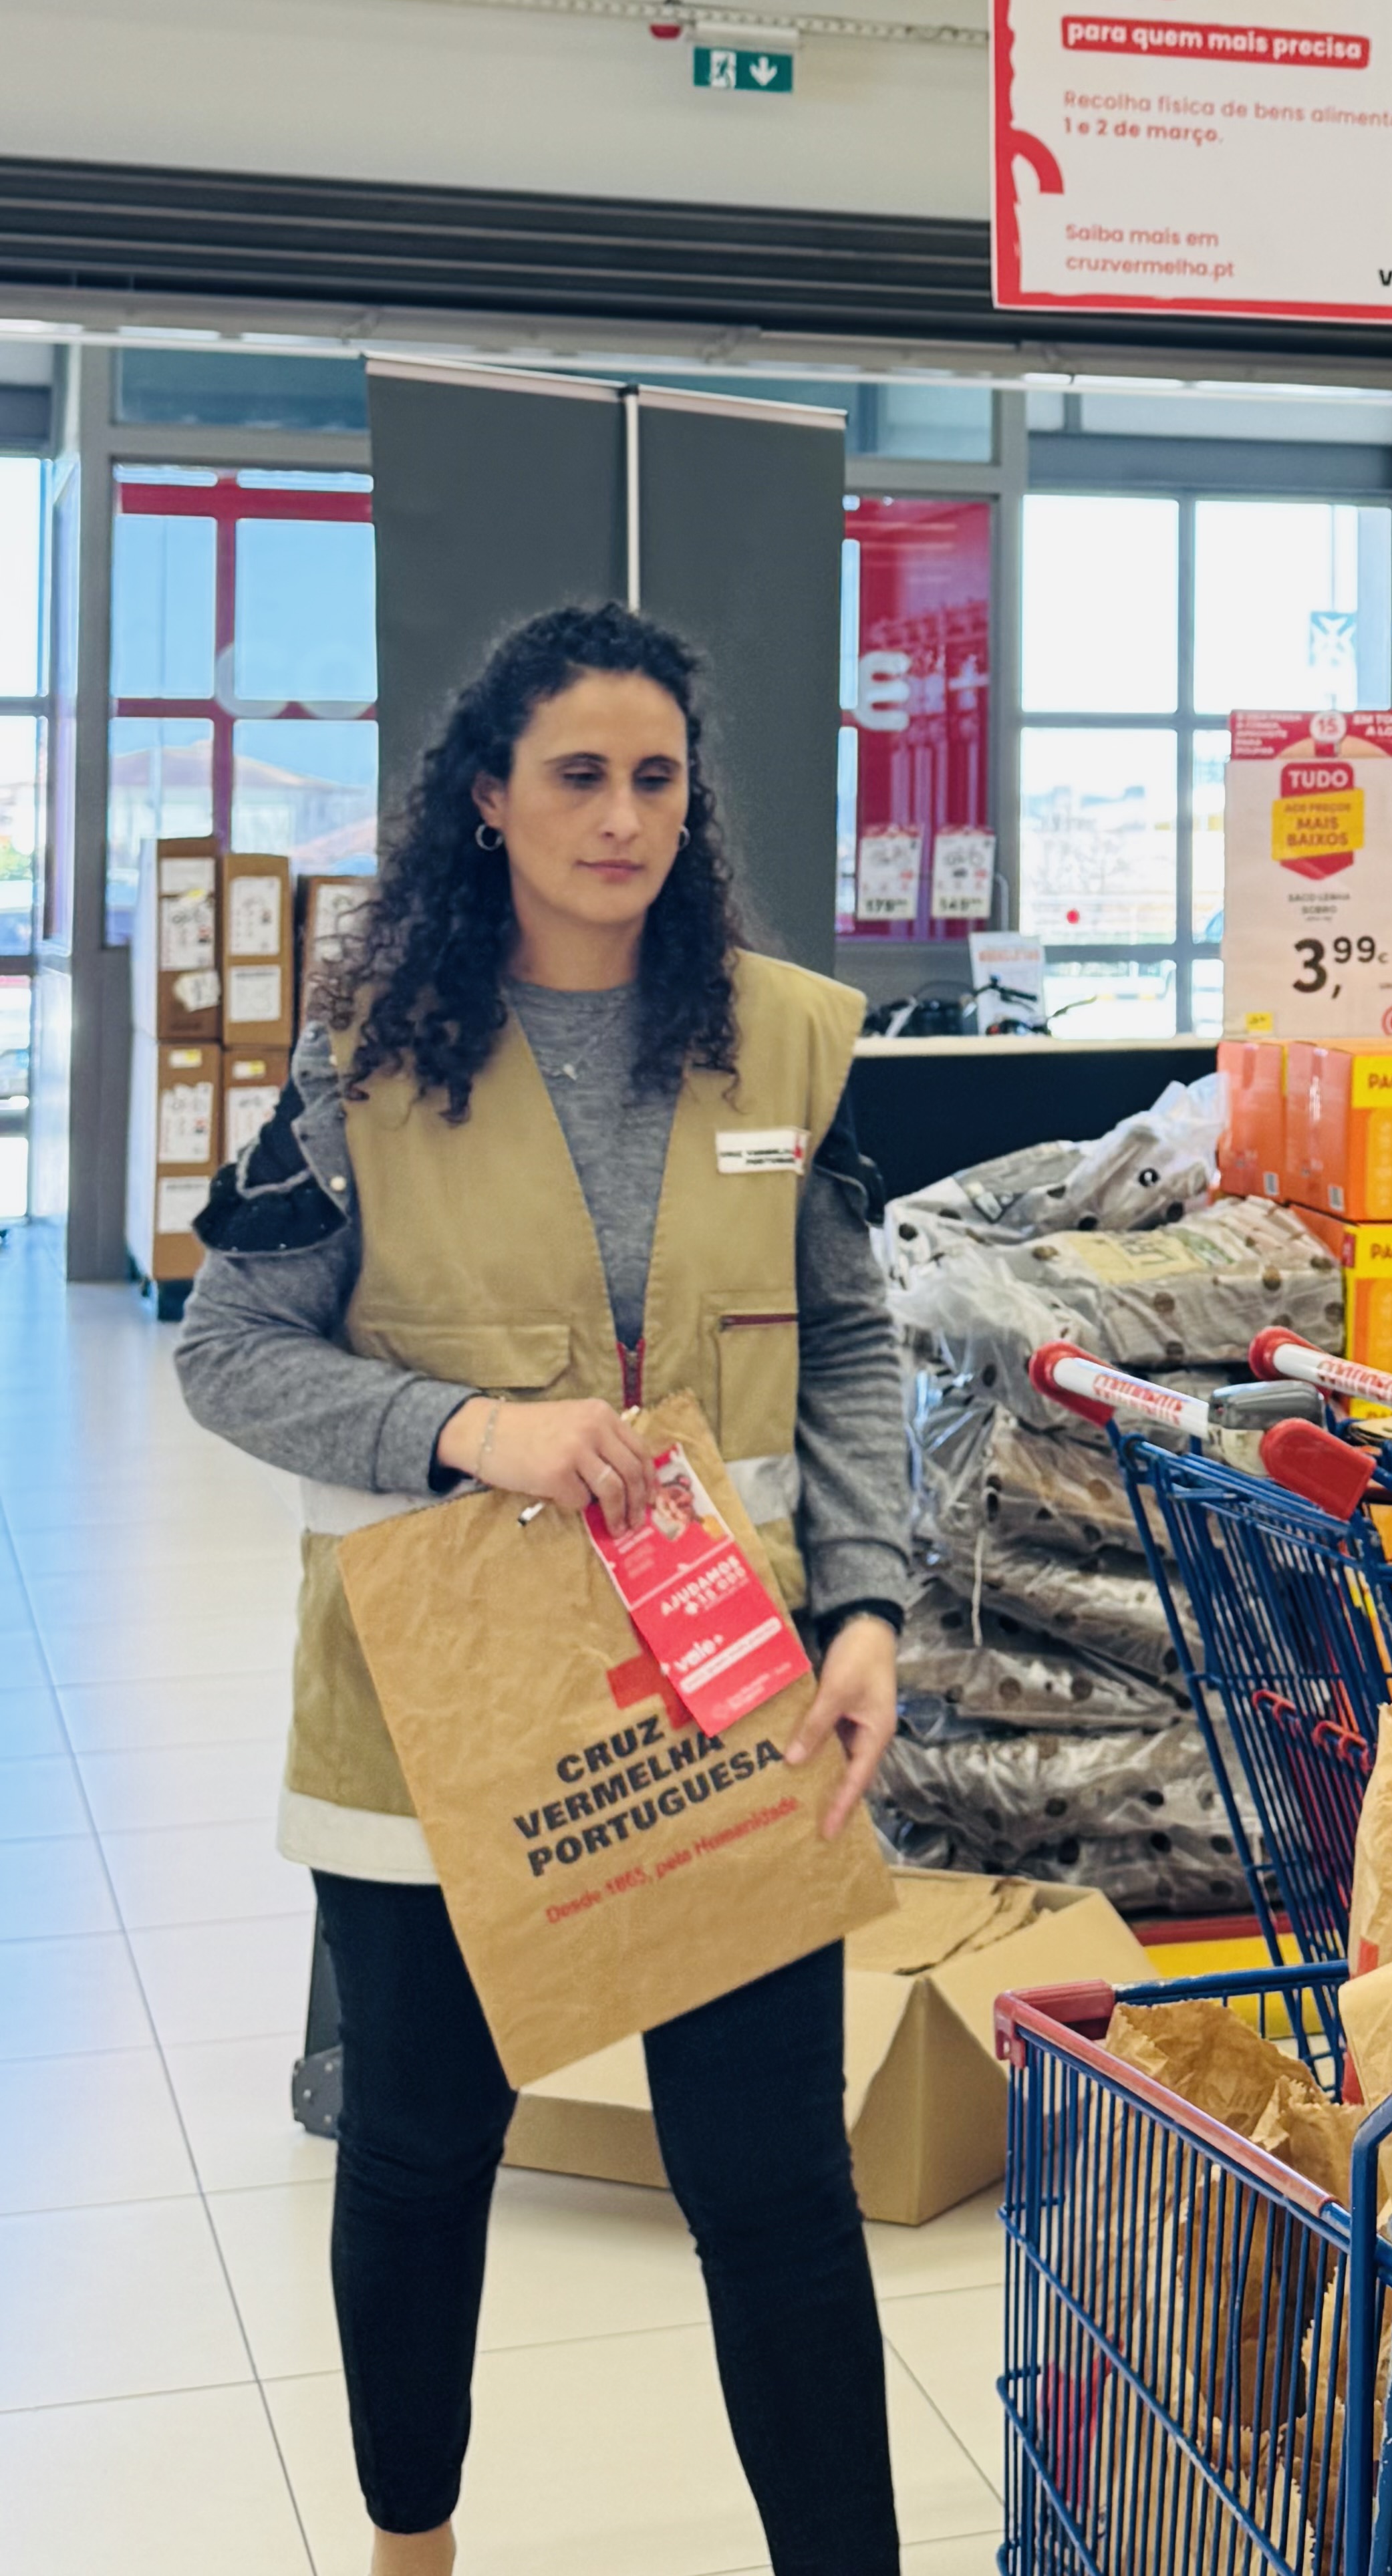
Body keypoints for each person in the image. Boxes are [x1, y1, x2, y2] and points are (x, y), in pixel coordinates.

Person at [176, 602, 910, 2576]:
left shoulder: (787, 1038)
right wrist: (468, 1427)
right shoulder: (362, 1058)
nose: (621, 817)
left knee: (775, 2179)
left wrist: (865, 1607)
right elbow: (228, 1350)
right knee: (424, 2149)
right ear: (487, 797)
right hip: (439, 1703)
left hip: (726, 1689)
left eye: (656, 776)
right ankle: (410, 2545)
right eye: (577, 775)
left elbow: (847, 1342)